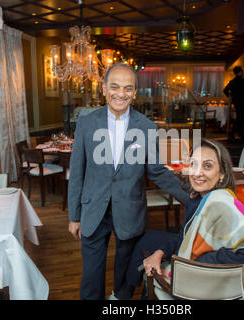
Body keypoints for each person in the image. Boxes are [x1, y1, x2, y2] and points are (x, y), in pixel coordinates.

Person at [68, 62, 189, 300]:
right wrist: (74, 216)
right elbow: (77, 171)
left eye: (127, 88)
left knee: (125, 274)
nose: (120, 93)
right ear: (104, 89)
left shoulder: (147, 127)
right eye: (114, 87)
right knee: (91, 274)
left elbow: (156, 171)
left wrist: (191, 194)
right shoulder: (86, 123)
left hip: (130, 211)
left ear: (134, 93)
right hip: (93, 210)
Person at [116, 138, 244, 299]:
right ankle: (127, 292)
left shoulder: (220, 204)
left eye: (207, 166)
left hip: (202, 282)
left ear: (222, 174)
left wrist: (200, 261)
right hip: (196, 264)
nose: (197, 172)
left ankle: (127, 294)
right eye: (193, 164)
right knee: (148, 238)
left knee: (147, 247)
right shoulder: (197, 199)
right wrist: (160, 252)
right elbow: (185, 238)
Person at [223, 66, 244, 142]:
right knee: (240, 118)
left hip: (236, 102)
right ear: (240, 72)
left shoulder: (232, 81)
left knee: (240, 118)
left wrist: (230, 95)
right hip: (243, 101)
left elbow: (225, 90)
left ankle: (240, 134)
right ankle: (233, 133)